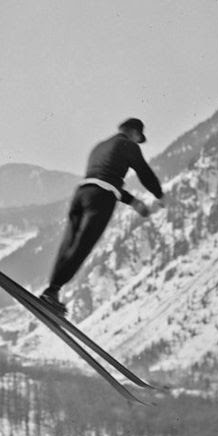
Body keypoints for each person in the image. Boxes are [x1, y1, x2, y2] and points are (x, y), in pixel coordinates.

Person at [39, 118, 165, 316]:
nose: (138, 142)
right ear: (134, 133)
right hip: (100, 199)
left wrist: (134, 202)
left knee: (69, 243)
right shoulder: (128, 145)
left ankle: (51, 290)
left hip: (81, 194)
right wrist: (160, 195)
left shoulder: (100, 147)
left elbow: (104, 178)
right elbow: (144, 172)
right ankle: (52, 293)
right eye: (138, 138)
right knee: (83, 245)